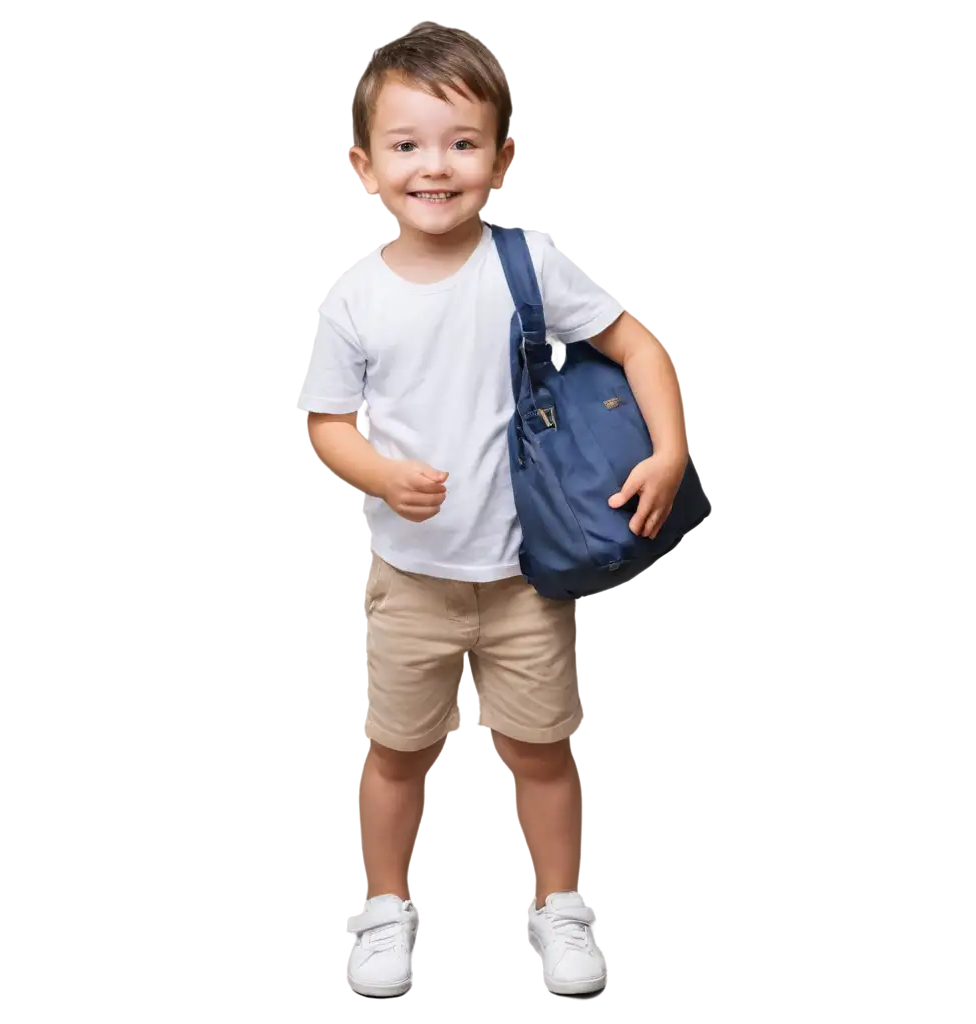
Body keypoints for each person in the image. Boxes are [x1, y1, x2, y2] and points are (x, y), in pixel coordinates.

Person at [291, 23, 688, 999]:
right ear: (363, 166)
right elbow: (326, 423)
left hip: (526, 580)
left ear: (501, 159)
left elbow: (639, 347)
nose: (436, 166)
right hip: (411, 582)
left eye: (462, 143)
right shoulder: (351, 301)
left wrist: (669, 449)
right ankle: (383, 911)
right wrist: (380, 474)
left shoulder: (532, 265)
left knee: (541, 755)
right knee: (394, 757)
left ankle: (560, 910)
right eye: (408, 144)